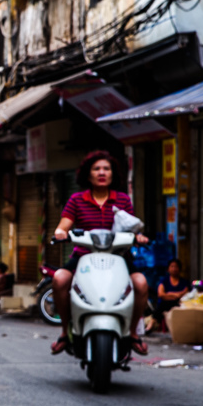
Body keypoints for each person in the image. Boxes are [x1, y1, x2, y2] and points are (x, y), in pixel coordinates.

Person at [51, 150, 149, 356]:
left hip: (119, 258)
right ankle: (65, 331)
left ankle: (132, 333)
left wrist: (138, 237)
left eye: (106, 168)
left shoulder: (122, 200)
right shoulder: (77, 200)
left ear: (113, 174)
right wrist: (61, 232)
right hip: (83, 257)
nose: (102, 172)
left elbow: (130, 226)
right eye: (96, 169)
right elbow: (63, 226)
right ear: (88, 175)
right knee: (59, 280)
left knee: (140, 284)